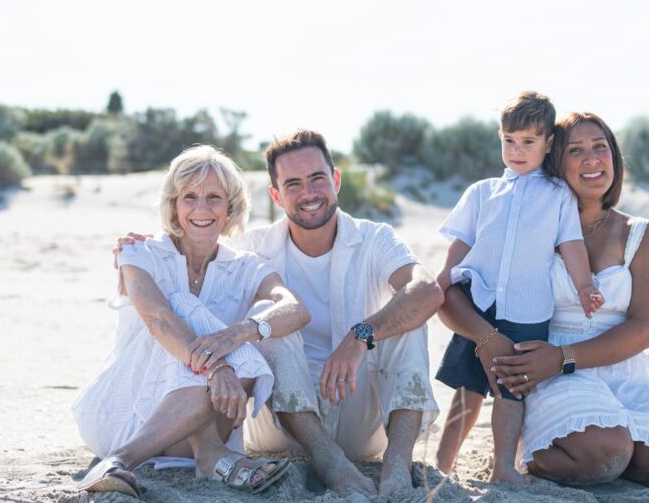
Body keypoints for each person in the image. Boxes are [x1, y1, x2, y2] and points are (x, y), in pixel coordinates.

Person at [115, 130, 443, 498]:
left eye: (317, 178)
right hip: (279, 422)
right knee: (266, 318)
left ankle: (397, 466)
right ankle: (329, 463)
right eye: (293, 184)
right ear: (276, 194)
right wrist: (140, 248)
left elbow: (428, 290)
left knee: (407, 319)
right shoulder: (251, 249)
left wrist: (359, 335)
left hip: (357, 409)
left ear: (335, 180)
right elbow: (195, 242)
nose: (308, 193)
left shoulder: (374, 239)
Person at [74, 145, 310, 497]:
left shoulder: (247, 266)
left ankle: (203, 454)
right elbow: (159, 319)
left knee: (247, 345)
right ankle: (125, 459)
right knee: (185, 307)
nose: (201, 208)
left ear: (230, 205)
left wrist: (243, 331)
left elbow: (294, 308)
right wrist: (218, 369)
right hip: (125, 415)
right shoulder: (139, 253)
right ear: (173, 204)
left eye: (213, 197)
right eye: (190, 197)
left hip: (193, 421)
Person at [487, 112, 649, 487]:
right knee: (606, 451)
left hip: (621, 365)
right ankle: (543, 445)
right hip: (549, 368)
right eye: (576, 150)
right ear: (555, 162)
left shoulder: (643, 234)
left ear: (614, 158)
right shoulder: (528, 229)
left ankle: (611, 446)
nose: (591, 159)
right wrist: (508, 351)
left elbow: (644, 329)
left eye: (600, 147)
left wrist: (565, 359)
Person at [433, 91, 601, 483]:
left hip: (526, 312)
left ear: (548, 144)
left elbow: (571, 244)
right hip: (479, 304)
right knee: (467, 390)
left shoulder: (558, 195)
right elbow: (461, 245)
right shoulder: (482, 193)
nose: (517, 150)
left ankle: (503, 467)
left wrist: (584, 284)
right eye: (509, 140)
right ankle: (441, 465)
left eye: (528, 142)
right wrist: (442, 280)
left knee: (512, 392)